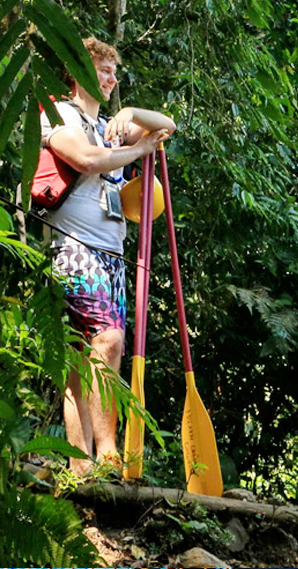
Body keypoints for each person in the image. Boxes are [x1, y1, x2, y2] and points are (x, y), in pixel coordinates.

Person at [42, 36, 176, 475]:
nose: (112, 79)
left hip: (113, 254)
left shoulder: (114, 126)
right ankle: (107, 455)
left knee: (84, 355)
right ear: (78, 71)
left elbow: (167, 125)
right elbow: (83, 158)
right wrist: (138, 151)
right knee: (110, 341)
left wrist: (132, 116)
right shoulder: (59, 114)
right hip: (74, 246)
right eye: (103, 71)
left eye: (114, 73)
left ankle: (78, 470)